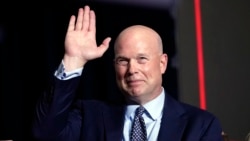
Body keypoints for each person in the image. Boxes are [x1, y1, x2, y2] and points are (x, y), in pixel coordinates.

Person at [32, 5, 223, 141]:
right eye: (123, 61)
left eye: (142, 59)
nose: (132, 70)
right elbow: (45, 133)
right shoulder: (90, 115)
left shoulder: (201, 125)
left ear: (163, 63)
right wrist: (73, 60)